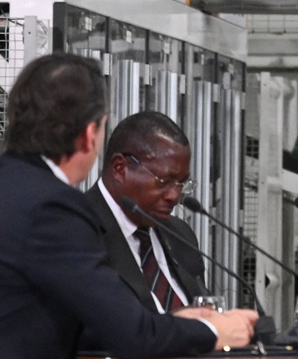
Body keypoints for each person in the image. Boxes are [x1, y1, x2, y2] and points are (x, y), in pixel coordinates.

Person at [0, 53, 257, 359]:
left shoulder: (13, 187)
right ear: (89, 135)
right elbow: (133, 339)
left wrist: (166, 324)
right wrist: (216, 331)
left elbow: (52, 319)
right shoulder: (53, 208)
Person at [86, 112, 209, 317]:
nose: (175, 196)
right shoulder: (77, 229)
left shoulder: (180, 234)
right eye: (164, 181)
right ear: (120, 167)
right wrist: (179, 326)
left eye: (182, 184)